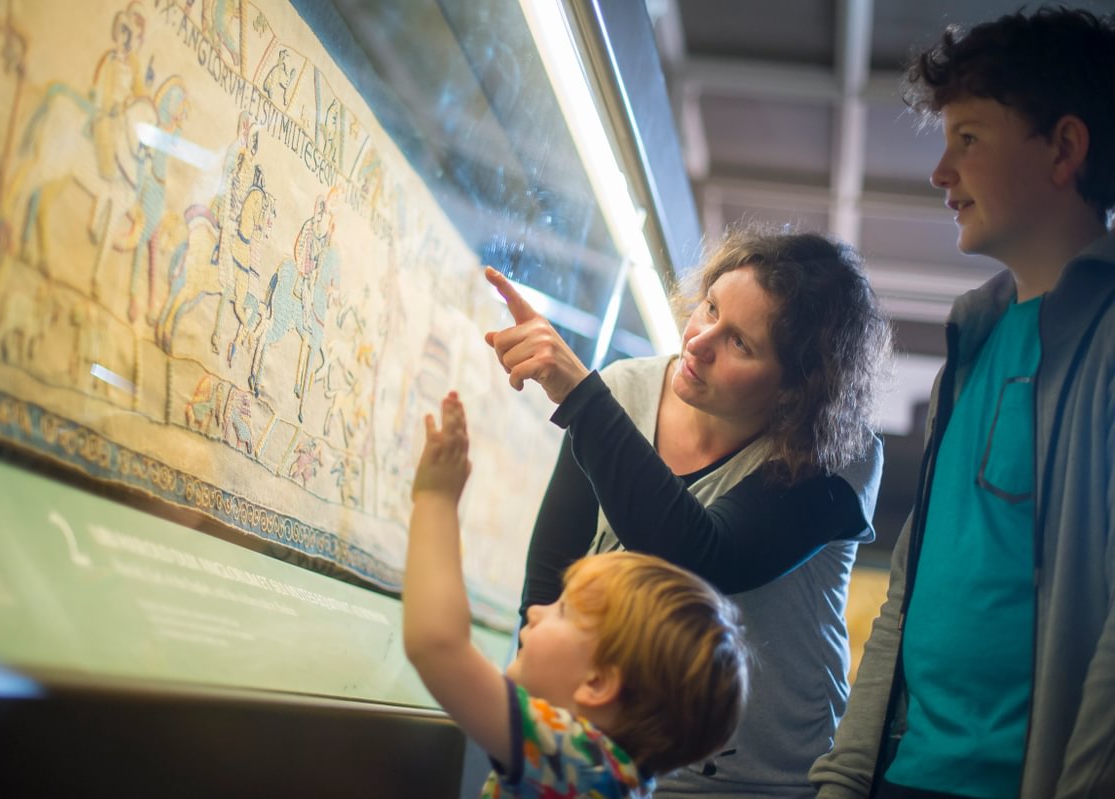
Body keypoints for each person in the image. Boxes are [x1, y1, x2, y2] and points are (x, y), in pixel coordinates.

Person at [809, 7, 1115, 799]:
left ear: (1065, 148)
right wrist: (845, 777)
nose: (941, 173)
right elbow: (908, 590)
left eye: (968, 139)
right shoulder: (972, 341)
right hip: (901, 778)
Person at [484, 225, 892, 797]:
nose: (699, 341)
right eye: (710, 307)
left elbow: (701, 557)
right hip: (600, 760)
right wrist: (537, 733)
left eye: (740, 344)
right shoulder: (623, 391)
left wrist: (581, 399)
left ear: (795, 391)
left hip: (760, 783)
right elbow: (550, 580)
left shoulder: (837, 457)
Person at [404, 392, 750, 798]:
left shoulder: (579, 762)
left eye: (563, 611)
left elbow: (437, 644)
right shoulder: (616, 778)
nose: (536, 611)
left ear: (598, 682)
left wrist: (435, 499)